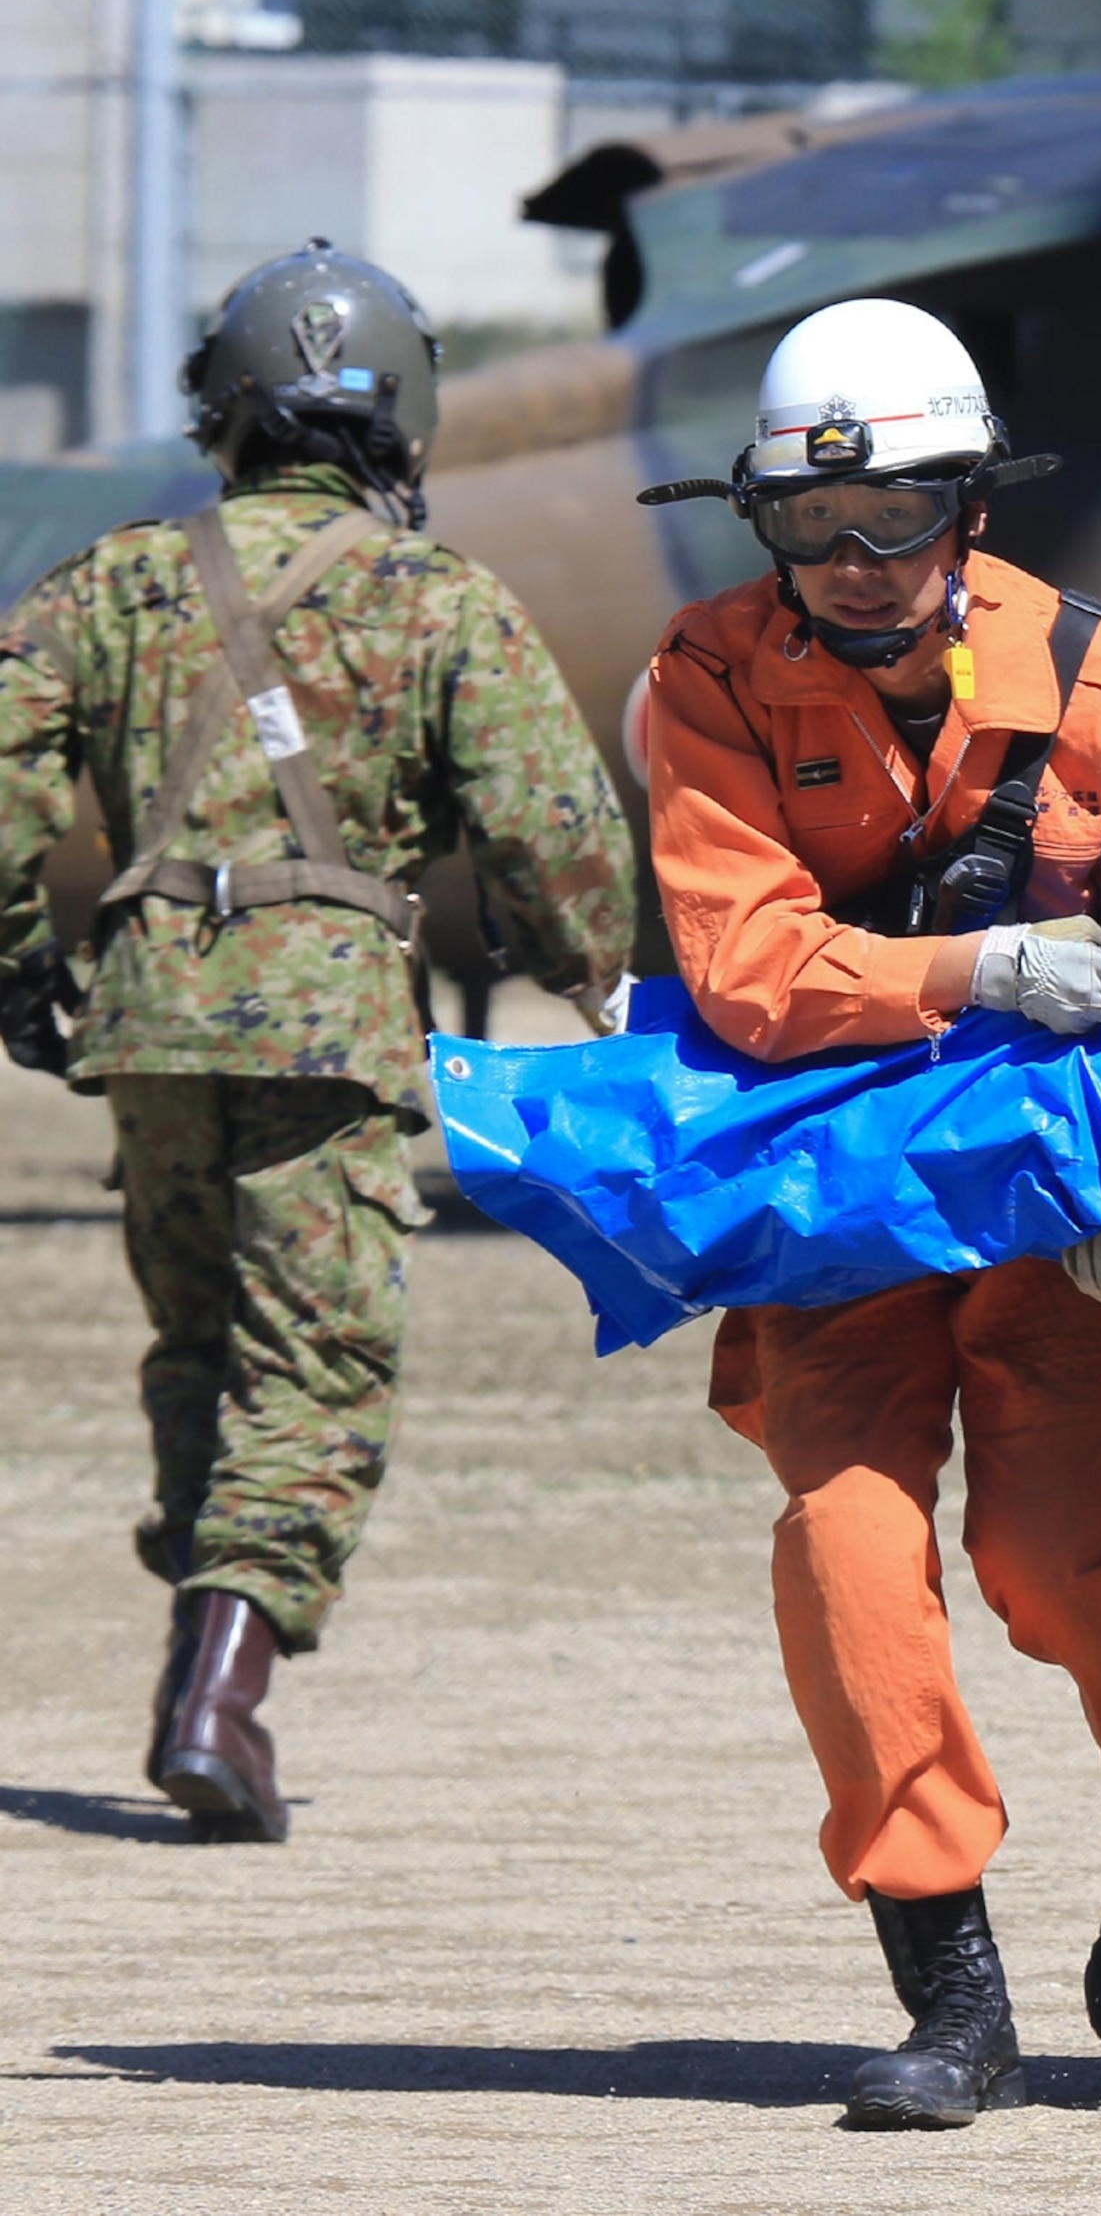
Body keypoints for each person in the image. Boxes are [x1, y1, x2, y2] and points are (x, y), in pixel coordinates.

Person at [642, 297, 1101, 2131]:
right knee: (846, 1549)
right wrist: (980, 966)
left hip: (1055, 1204)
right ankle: (949, 1983)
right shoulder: (709, 675)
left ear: (973, 508)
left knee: (1054, 1554)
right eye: (810, 523)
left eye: (897, 516)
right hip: (837, 1200)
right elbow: (746, 966)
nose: (854, 561)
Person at [0, 240, 634, 1841]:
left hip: (150, 1023)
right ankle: (220, 1692)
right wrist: (588, 973)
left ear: (221, 407)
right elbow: (552, 827)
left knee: (201, 1342)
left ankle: (201, 1625)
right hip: (330, 1031)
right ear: (406, 413)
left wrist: (18, 972)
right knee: (316, 1367)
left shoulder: (111, 582)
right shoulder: (440, 599)